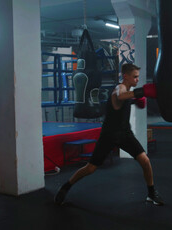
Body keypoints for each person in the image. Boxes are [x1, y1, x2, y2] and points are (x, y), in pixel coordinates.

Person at [54, 63, 164, 206]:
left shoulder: (128, 92)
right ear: (125, 76)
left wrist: (136, 99)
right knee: (91, 168)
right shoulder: (120, 88)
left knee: (145, 160)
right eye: (135, 77)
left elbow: (126, 99)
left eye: (138, 77)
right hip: (109, 135)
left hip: (125, 133)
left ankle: (151, 193)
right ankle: (66, 186)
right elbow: (120, 95)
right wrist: (142, 92)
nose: (137, 79)